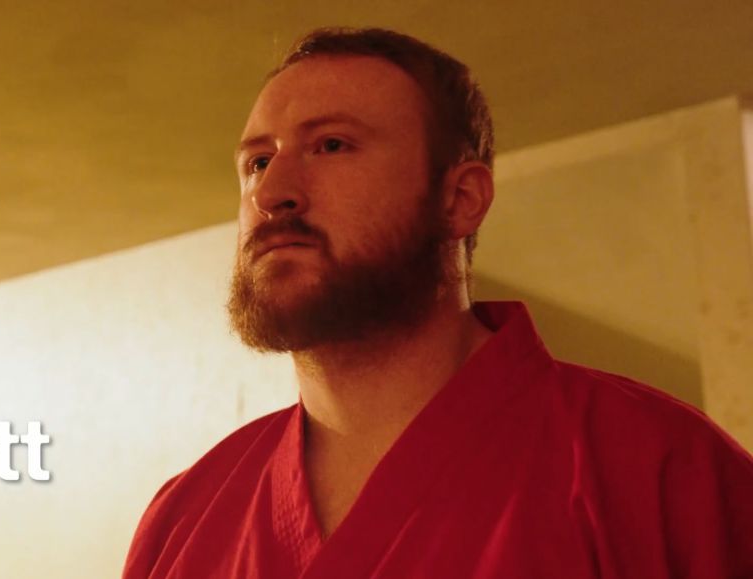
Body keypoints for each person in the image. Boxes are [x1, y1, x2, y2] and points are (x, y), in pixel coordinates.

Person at [122, 27, 753, 578]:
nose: (272, 193)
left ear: (460, 200)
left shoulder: (667, 471)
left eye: (332, 145)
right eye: (258, 162)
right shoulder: (182, 519)